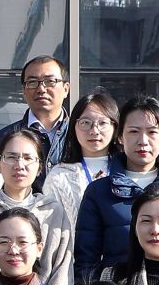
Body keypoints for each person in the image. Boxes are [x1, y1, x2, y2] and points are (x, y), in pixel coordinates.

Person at [72, 95, 159, 285]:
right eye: (133, 132)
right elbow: (86, 261)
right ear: (120, 137)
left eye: (152, 132)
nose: (143, 141)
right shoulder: (98, 191)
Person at [0, 127, 71, 285]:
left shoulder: (53, 212)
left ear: (40, 167)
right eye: (11, 157)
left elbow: (61, 272)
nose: (19, 165)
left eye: (28, 158)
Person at [41, 91, 119, 225]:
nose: (94, 131)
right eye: (85, 122)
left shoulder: (128, 169)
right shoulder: (59, 177)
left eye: (102, 123)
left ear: (115, 127)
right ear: (73, 126)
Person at [0, 54, 73, 164]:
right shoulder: (3, 138)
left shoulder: (80, 134)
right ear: (23, 90)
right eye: (32, 82)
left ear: (66, 89)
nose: (41, 89)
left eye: (50, 81)